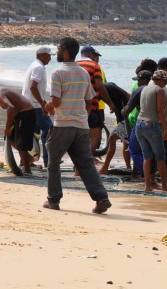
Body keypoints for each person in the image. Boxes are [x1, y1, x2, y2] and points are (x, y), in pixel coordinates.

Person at [42, 36, 112, 213]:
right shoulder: (82, 73)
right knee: (86, 164)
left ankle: (53, 199)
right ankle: (101, 198)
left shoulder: (58, 73)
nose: (56, 51)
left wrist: (48, 106)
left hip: (63, 124)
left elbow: (56, 102)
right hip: (81, 125)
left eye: (58, 49)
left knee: (54, 162)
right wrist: (83, 116)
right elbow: (90, 99)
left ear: (65, 52)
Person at [0, 83, 38, 174]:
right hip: (19, 114)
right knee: (9, 137)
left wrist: (8, 127)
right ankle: (28, 159)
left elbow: (10, 108)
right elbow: (13, 107)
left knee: (21, 141)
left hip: (27, 113)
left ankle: (27, 169)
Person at [134, 69, 167, 191]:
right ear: (160, 80)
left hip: (139, 125)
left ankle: (147, 185)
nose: (165, 84)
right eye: (165, 82)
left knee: (147, 157)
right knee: (160, 158)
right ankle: (164, 185)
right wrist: (165, 127)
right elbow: (159, 111)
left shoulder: (144, 88)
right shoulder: (159, 90)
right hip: (152, 126)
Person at [77, 45, 120, 154]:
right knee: (96, 136)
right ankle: (83, 163)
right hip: (92, 106)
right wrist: (110, 103)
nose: (97, 58)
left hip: (74, 107)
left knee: (79, 137)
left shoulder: (74, 64)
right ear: (91, 54)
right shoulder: (94, 66)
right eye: (96, 55)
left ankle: (79, 163)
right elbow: (100, 86)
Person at [22, 45, 52, 168]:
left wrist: (44, 102)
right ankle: (47, 160)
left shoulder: (35, 65)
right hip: (34, 106)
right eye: (48, 55)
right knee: (49, 130)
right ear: (42, 55)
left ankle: (28, 159)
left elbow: (36, 89)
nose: (50, 58)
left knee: (34, 133)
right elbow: (33, 87)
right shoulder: (38, 67)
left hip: (30, 104)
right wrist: (41, 104)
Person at [98, 80, 133, 174]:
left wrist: (129, 112)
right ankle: (129, 167)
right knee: (126, 142)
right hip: (122, 117)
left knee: (112, 139)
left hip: (126, 118)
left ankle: (105, 167)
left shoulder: (109, 86)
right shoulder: (99, 90)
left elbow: (128, 96)